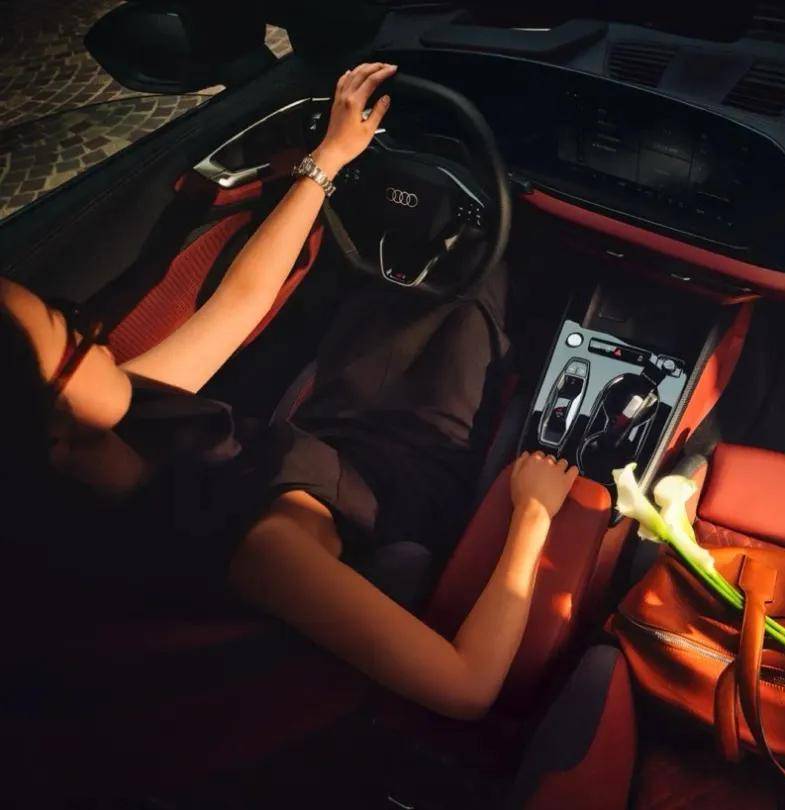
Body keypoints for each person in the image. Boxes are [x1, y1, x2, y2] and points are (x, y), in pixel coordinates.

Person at [0, 62, 580, 721]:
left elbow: (239, 303)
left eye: (72, 314)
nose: (96, 331)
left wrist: (328, 158)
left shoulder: (125, 419)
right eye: (73, 338)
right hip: (414, 473)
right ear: (51, 437)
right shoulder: (258, 550)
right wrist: (534, 514)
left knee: (411, 280)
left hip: (333, 433)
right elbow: (466, 687)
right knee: (489, 276)